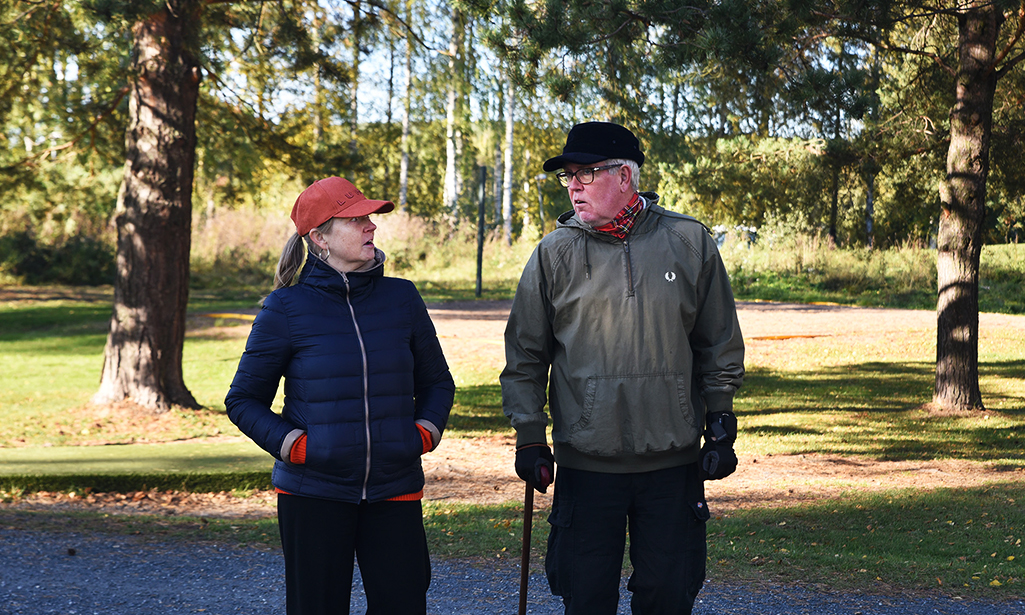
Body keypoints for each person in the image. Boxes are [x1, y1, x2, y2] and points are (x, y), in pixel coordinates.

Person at [501, 122, 745, 615]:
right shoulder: (554, 253)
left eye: (586, 173)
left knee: (668, 594)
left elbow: (717, 341)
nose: (573, 185)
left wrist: (720, 422)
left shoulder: (689, 241)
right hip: (586, 463)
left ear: (626, 178)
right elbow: (525, 355)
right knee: (585, 596)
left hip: (672, 462)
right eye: (568, 176)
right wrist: (530, 436)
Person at [224, 176, 455, 615]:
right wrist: (296, 446)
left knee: (403, 607)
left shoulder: (401, 298)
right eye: (355, 219)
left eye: (369, 217)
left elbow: (438, 383)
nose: (371, 226)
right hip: (314, 494)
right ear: (319, 238)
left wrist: (422, 434)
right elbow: (243, 400)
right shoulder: (286, 308)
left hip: (395, 489)